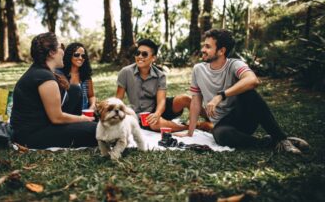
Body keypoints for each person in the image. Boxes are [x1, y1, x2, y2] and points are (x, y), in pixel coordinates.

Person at [180, 28, 308, 154]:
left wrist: (221, 96)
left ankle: (281, 139)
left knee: (248, 92)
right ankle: (269, 142)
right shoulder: (198, 69)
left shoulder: (235, 65)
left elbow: (253, 80)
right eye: (204, 46)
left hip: (243, 118)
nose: (203, 49)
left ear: (221, 51)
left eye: (208, 47)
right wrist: (190, 132)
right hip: (223, 125)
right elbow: (196, 101)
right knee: (221, 135)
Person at [10, 32, 97, 149]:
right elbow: (56, 118)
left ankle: (80, 126)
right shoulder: (44, 77)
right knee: (98, 130)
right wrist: (83, 119)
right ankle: (83, 126)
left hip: (44, 124)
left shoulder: (41, 71)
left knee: (74, 90)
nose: (63, 51)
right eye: (61, 47)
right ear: (51, 52)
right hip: (32, 135)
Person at [116, 39, 191, 132]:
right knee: (154, 123)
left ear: (153, 58)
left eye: (144, 54)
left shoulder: (160, 75)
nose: (139, 56)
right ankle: (189, 127)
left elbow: (161, 101)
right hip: (142, 116)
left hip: (159, 109)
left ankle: (211, 120)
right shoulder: (125, 72)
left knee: (185, 99)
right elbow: (118, 100)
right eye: (137, 53)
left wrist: (157, 113)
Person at [56, 42, 96, 115]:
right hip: (66, 113)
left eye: (83, 56)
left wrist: (92, 106)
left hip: (83, 113)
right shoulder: (60, 74)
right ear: (69, 55)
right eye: (76, 55)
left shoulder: (85, 75)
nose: (80, 58)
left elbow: (91, 95)